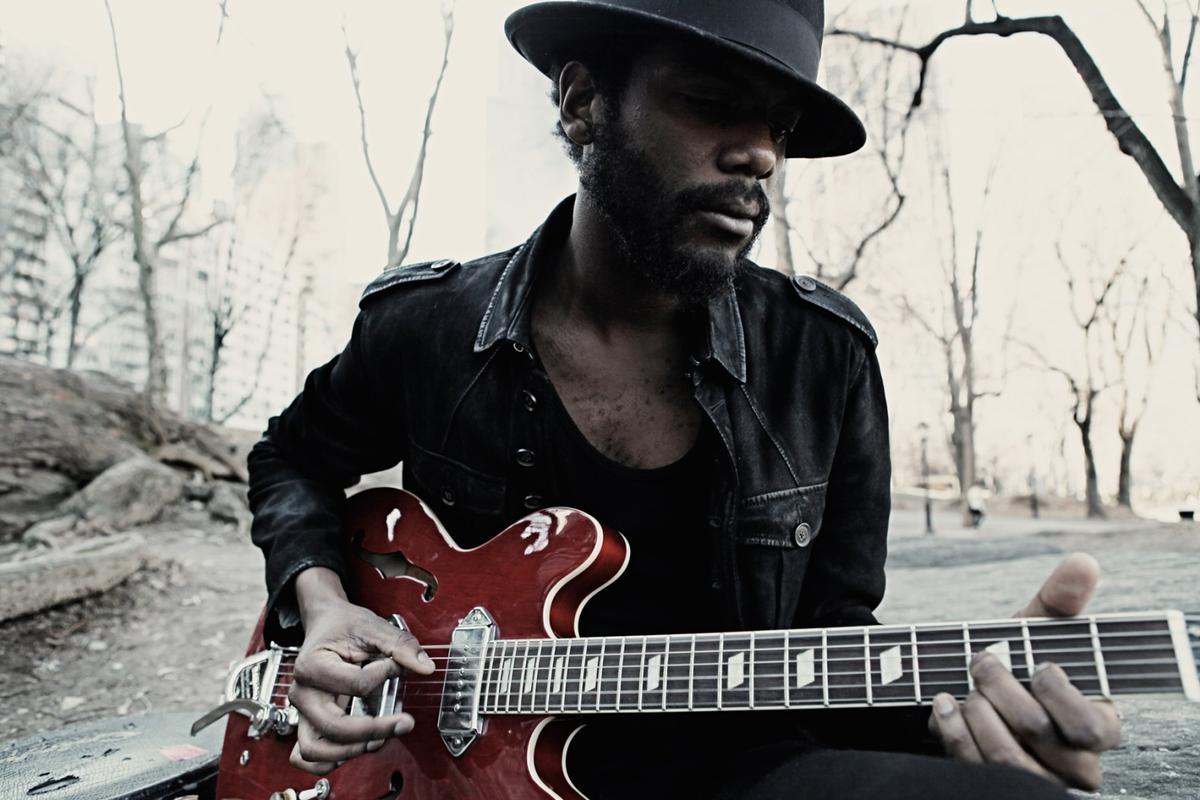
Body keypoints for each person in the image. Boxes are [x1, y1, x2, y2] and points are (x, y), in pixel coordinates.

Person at [246, 1, 1120, 796]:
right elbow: (291, 457)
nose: (762, 155)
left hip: (747, 772)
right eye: (711, 101)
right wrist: (324, 607)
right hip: (453, 773)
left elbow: (835, 638)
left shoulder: (824, 357)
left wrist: (959, 706)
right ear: (583, 103)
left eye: (779, 128)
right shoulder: (430, 326)